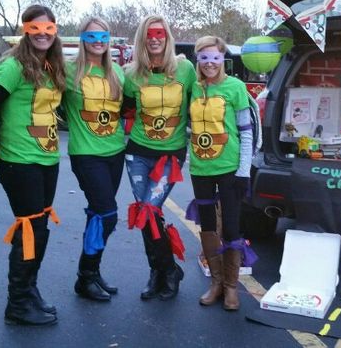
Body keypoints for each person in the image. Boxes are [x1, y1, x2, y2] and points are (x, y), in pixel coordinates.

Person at [0, 4, 66, 326]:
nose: (42, 35)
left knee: (39, 229)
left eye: (48, 29)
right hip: (19, 162)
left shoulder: (51, 66)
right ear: (25, 31)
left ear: (55, 32)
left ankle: (29, 290)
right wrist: (2, 152)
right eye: (35, 29)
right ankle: (17, 303)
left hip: (47, 158)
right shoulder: (13, 67)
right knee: (31, 228)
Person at [122, 15, 196, 300]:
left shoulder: (186, 69)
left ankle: (166, 270)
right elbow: (124, 110)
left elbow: (199, 105)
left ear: (167, 37)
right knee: (145, 212)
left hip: (171, 154)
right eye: (149, 34)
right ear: (142, 39)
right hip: (138, 152)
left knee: (151, 210)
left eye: (160, 33)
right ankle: (161, 271)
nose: (154, 38)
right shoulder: (131, 75)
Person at [187, 36, 255, 311]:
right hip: (200, 168)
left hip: (229, 169)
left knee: (232, 226)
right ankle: (215, 283)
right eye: (204, 58)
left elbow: (247, 133)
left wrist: (243, 171)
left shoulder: (236, 88)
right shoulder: (193, 87)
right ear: (198, 61)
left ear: (223, 59)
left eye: (214, 57)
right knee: (207, 228)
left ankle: (231, 287)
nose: (210, 63)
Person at [62, 17, 125, 301]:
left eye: (103, 36)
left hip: (115, 153)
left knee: (98, 214)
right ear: (82, 39)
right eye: (91, 36)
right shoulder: (69, 70)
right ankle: (85, 275)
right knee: (108, 214)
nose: (98, 41)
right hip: (86, 154)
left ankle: (91, 274)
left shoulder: (117, 74)